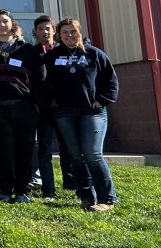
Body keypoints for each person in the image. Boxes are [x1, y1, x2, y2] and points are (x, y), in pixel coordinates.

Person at [44, 18, 119, 212]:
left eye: (73, 31)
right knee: (76, 156)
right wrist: (51, 100)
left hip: (92, 112)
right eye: (64, 32)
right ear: (58, 36)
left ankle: (106, 198)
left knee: (92, 154)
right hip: (64, 113)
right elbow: (44, 81)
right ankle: (86, 197)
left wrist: (100, 101)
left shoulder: (95, 54)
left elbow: (111, 82)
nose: (69, 35)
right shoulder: (52, 56)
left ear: (79, 32)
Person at [0, 9, 45, 204]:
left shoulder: (27, 49)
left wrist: (35, 105)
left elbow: (40, 78)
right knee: (2, 150)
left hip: (24, 107)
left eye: (4, 21)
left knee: (25, 149)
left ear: (11, 23)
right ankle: (5, 189)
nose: (1, 25)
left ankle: (22, 190)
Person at [32, 14, 74, 198]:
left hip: (65, 108)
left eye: (47, 28)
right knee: (45, 149)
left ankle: (71, 183)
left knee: (68, 148)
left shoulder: (65, 51)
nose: (44, 32)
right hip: (43, 110)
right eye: (40, 29)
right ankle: (48, 189)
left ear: (54, 30)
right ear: (35, 32)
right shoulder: (31, 53)